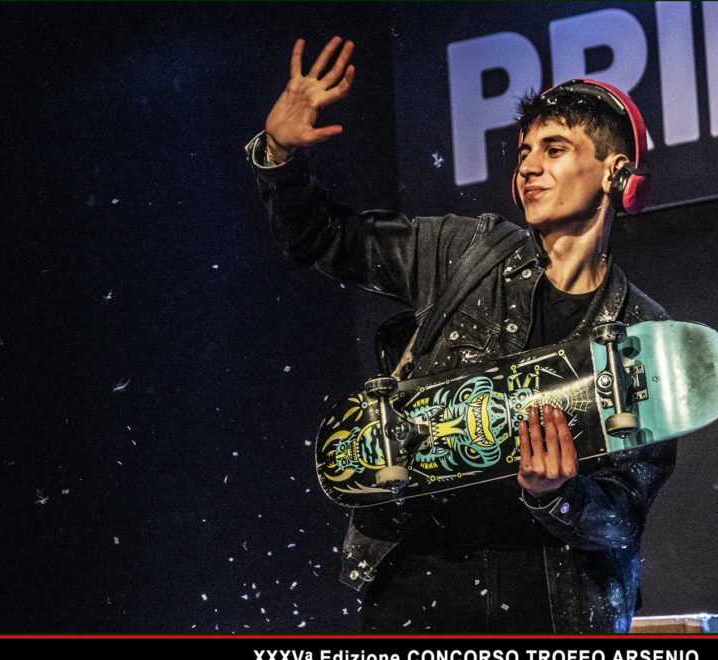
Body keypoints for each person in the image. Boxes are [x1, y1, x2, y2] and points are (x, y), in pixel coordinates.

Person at [245, 36, 677, 633]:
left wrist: (561, 494)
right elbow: (322, 237)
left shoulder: (642, 331)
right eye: (524, 152)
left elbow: (624, 516)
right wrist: (281, 158)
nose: (528, 167)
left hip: (553, 598)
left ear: (617, 173)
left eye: (554, 149)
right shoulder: (464, 251)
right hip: (421, 574)